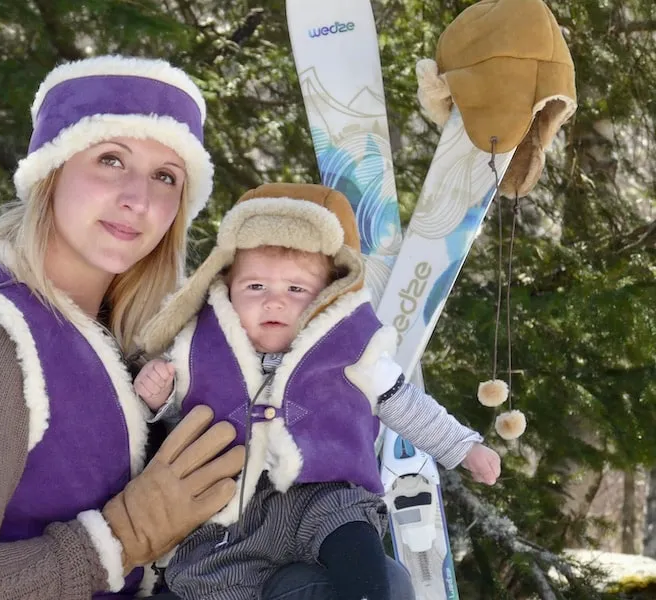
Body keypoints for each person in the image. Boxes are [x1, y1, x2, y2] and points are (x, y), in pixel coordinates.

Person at [0, 55, 247, 600]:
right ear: (51, 170)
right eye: (112, 159)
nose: (139, 199)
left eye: (166, 177)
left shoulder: (128, 337)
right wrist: (125, 536)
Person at [135, 182, 502, 600]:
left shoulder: (352, 351)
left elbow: (405, 403)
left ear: (328, 298)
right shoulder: (198, 349)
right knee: (209, 579)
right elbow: (178, 420)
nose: (274, 302)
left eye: (295, 290)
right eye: (255, 287)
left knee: (353, 536)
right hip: (233, 508)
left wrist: (462, 447)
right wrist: (158, 397)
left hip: (323, 494)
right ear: (225, 288)